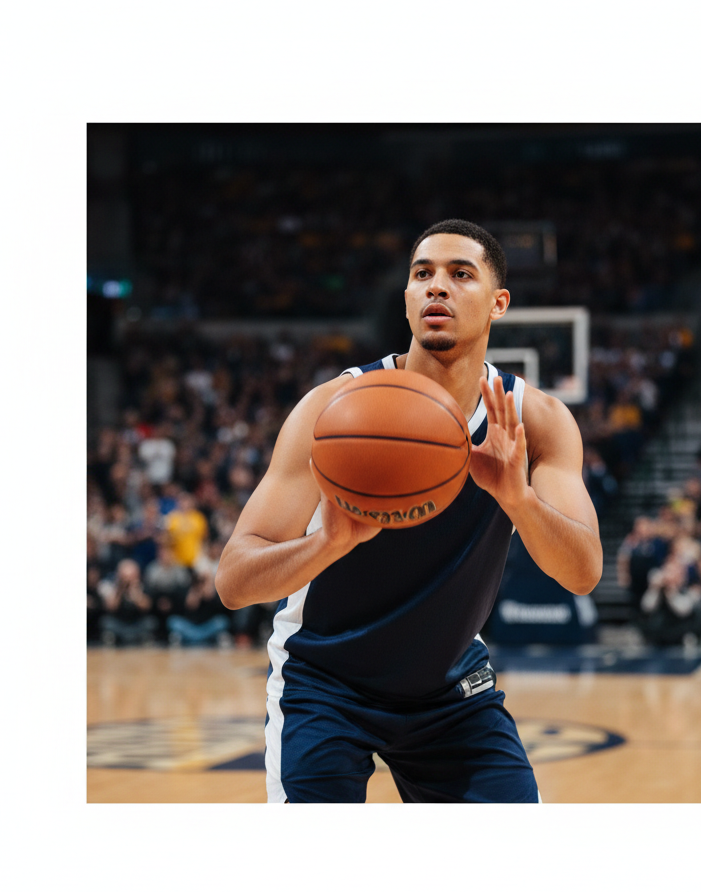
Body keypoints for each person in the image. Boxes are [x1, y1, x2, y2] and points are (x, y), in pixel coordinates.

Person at [216, 219, 603, 803]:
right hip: (325, 681)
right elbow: (234, 581)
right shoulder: (332, 409)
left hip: (450, 688)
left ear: (499, 303)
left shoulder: (536, 421)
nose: (436, 287)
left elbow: (582, 572)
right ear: (406, 299)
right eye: (422, 274)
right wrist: (330, 542)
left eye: (460, 274)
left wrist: (515, 496)